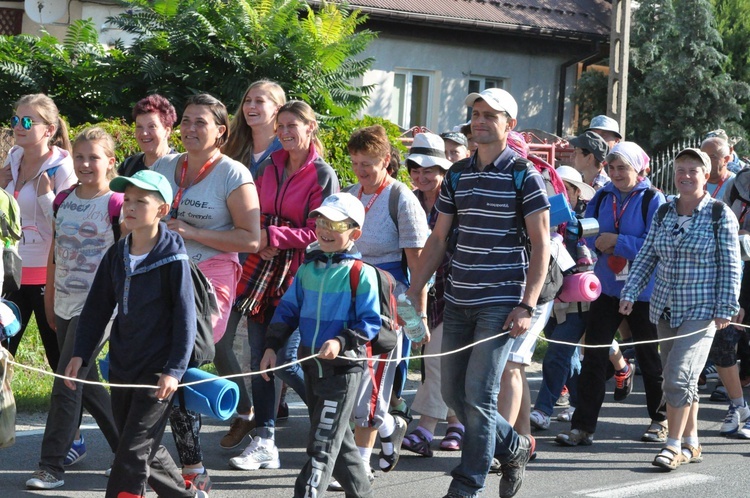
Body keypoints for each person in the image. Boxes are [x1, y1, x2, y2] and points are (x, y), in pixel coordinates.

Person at [405, 88, 548, 498]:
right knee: (454, 393)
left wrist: (527, 304)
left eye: (490, 115)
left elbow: (541, 245)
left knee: (480, 393)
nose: (479, 121)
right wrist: (417, 290)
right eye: (476, 114)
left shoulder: (525, 175)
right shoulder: (458, 173)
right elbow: (437, 240)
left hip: (501, 301)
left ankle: (467, 484)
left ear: (509, 125)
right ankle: (515, 447)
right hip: (458, 299)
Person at [63, 170, 206, 498]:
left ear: (162, 210)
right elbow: (96, 311)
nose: (129, 206)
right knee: (143, 446)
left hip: (157, 371)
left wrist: (173, 371)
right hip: (122, 366)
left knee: (131, 452)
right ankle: (189, 495)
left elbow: (186, 319)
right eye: (127, 199)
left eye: (141, 201)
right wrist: (81, 355)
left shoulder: (174, 259)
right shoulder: (117, 254)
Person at [152, 93, 261, 491]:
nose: (191, 129)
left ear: (220, 132)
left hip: (210, 278)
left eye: (201, 122)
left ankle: (191, 467)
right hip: (164, 273)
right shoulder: (165, 165)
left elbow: (251, 239)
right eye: (186, 121)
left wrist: (192, 232)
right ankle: (186, 465)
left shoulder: (233, 174)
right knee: (166, 364)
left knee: (181, 359)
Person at [229, 100, 338, 471]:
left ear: (311, 128)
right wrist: (261, 235)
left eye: (294, 125)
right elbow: (252, 211)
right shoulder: (269, 166)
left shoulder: (322, 174)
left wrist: (273, 234)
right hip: (263, 270)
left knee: (286, 360)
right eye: (282, 126)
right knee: (261, 360)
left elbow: (322, 229)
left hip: (299, 275)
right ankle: (265, 440)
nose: (286, 132)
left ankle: (333, 418)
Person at [620, 148, 741, 470]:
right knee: (681, 381)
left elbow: (731, 266)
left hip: (702, 310)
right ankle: (692, 442)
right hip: (665, 309)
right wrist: (630, 291)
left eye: (693, 170)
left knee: (677, 378)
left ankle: (672, 447)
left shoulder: (719, 214)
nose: (686, 176)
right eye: (681, 170)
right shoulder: (665, 211)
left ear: (706, 175)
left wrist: (726, 308)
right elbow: (647, 255)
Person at [259, 192, 377, 498]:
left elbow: (370, 323)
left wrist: (340, 342)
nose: (325, 229)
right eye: (321, 221)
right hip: (311, 366)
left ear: (355, 233)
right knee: (340, 445)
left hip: (342, 371)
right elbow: (287, 312)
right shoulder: (307, 270)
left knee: (322, 447)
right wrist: (272, 346)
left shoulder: (360, 274)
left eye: (335, 224)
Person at [25, 127, 122, 490]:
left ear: (110, 162)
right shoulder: (63, 200)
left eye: (94, 157)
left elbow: (126, 260)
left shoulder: (117, 204)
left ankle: (50, 466)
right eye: (79, 157)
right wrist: (50, 300)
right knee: (87, 383)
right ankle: (131, 451)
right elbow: (55, 256)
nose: (85, 164)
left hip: (98, 309)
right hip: (64, 303)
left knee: (67, 379)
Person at [556, 141, 667, 447]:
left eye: (623, 168)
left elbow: (656, 245)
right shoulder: (603, 195)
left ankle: (660, 420)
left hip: (644, 290)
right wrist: (594, 242)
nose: (616, 174)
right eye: (612, 167)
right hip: (606, 287)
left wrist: (618, 242)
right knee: (593, 356)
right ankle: (583, 427)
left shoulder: (653, 199)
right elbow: (587, 234)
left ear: (639, 169)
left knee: (649, 358)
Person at [344, 124, 428, 481]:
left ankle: (360, 464)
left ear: (387, 161)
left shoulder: (401, 198)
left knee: (375, 379)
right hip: (349, 293)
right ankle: (391, 426)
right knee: (353, 377)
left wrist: (416, 316)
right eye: (356, 163)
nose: (361, 171)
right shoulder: (348, 194)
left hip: (387, 298)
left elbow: (418, 264)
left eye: (369, 163)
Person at [217, 80, 286, 450]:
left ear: (278, 109)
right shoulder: (233, 150)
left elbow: (300, 204)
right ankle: (246, 411)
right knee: (218, 341)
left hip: (272, 265)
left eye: (261, 100)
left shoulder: (288, 149)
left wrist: (273, 237)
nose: (251, 105)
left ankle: (338, 416)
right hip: (231, 257)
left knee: (270, 354)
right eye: (247, 99)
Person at [0, 94, 77, 370]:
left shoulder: (63, 168)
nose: (18, 126)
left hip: (48, 275)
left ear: (49, 129)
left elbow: (69, 225)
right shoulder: (13, 159)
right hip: (11, 274)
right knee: (2, 352)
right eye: (15, 119)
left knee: (59, 359)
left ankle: (70, 412)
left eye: (27, 121)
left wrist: (46, 197)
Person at [401, 133, 464, 457]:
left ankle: (425, 428)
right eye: (415, 170)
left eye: (429, 170)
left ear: (443, 170)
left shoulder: (454, 202)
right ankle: (457, 422)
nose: (422, 177)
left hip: (452, 292)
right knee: (436, 362)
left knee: (437, 361)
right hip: (416, 291)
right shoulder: (408, 200)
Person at [530, 166, 597, 431]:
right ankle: (580, 407)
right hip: (548, 298)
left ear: (577, 193)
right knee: (570, 359)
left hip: (578, 300)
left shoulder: (584, 222)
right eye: (556, 186)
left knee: (556, 355)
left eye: (566, 188)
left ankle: (543, 410)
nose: (559, 192)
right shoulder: (538, 218)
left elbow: (592, 260)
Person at [118, 94, 178, 177]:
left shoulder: (180, 167)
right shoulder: (128, 166)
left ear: (167, 131)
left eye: (152, 126)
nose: (144, 133)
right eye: (139, 126)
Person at [702, 136, 735, 201]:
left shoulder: (737, 185)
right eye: (703, 156)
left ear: (726, 160)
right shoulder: (695, 181)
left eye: (712, 157)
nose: (706, 161)